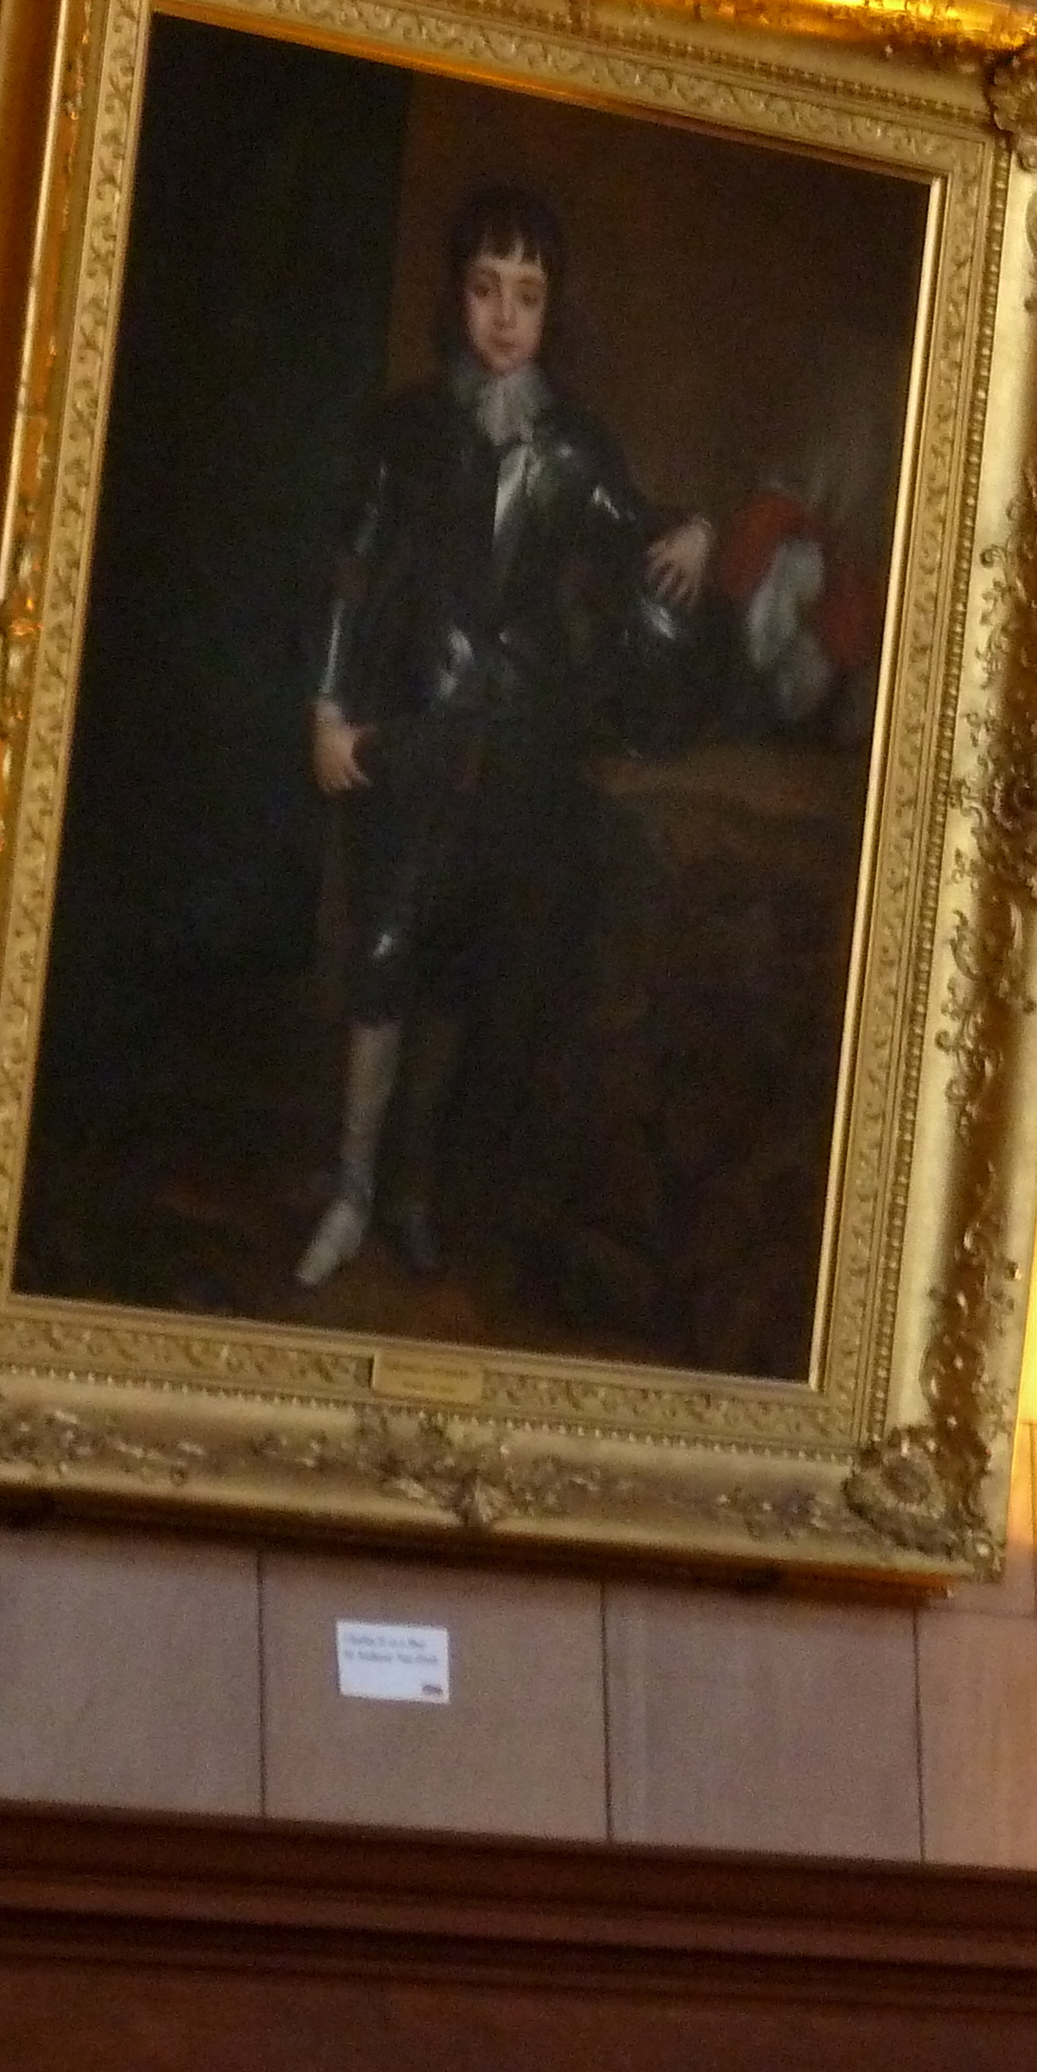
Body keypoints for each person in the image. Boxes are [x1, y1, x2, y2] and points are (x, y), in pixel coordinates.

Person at [298, 185, 712, 1288]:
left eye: (527, 295)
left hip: (516, 745)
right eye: (487, 288)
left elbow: (641, 531)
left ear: (550, 310)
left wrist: (702, 531)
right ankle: (348, 1188)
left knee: (459, 972)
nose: (505, 315)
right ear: (458, 295)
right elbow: (351, 569)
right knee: (382, 947)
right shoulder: (405, 427)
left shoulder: (573, 445)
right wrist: (330, 709)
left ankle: (416, 1191)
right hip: (407, 734)